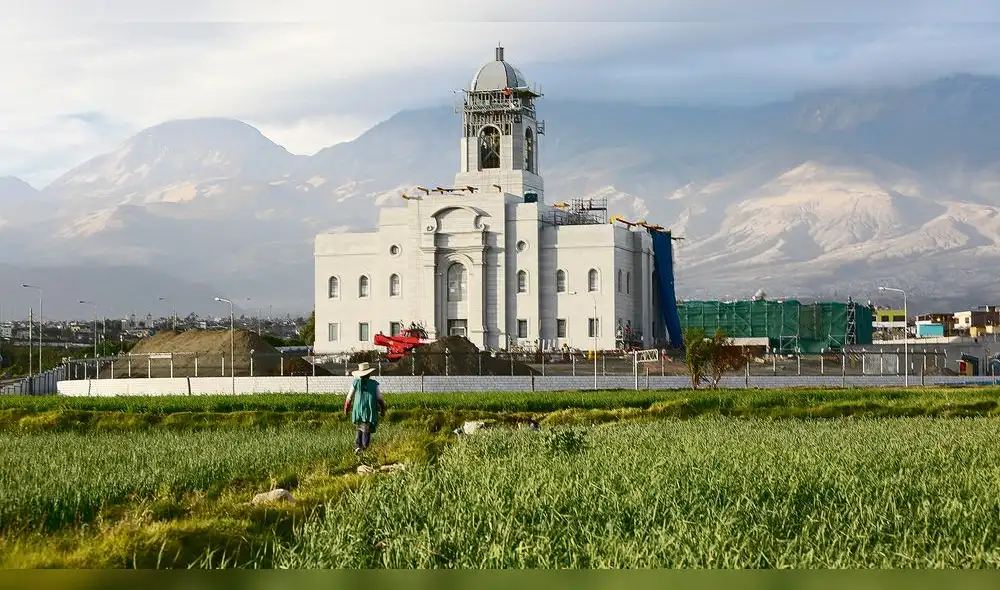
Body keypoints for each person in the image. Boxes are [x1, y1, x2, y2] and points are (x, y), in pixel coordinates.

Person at [344, 362, 386, 453]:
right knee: (366, 428)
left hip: (358, 409)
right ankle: (364, 448)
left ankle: (358, 446)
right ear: (369, 374)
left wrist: (346, 409)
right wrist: (383, 409)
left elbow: (349, 397)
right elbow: (379, 398)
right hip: (369, 410)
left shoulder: (356, 382)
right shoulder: (374, 384)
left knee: (359, 427)